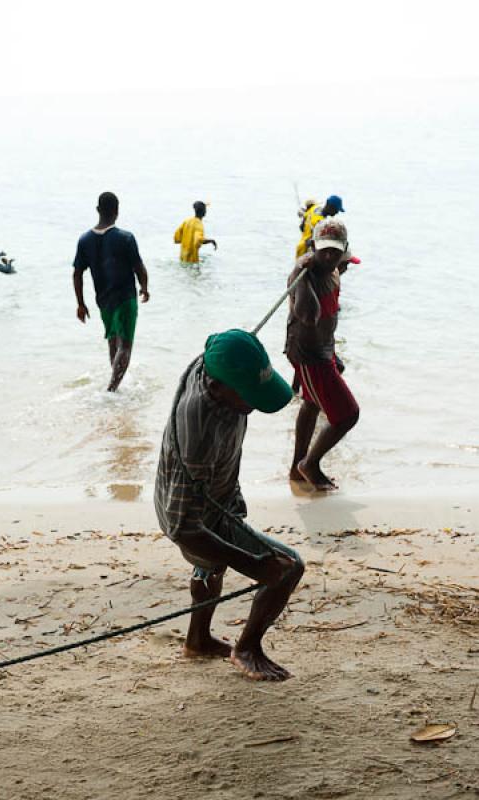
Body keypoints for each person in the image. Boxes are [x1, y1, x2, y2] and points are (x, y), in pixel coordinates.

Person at [155, 330, 304, 681]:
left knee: (210, 566)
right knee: (287, 568)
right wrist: (254, 565)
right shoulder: (199, 429)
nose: (253, 403)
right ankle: (248, 648)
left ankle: (197, 640)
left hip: (214, 493)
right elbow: (184, 526)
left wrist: (239, 348)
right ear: (220, 387)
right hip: (196, 509)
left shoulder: (207, 364)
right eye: (248, 396)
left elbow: (226, 347)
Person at [286, 218, 359, 490]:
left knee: (311, 403)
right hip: (309, 355)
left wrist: (334, 352)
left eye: (336, 252)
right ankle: (310, 464)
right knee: (347, 415)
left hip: (324, 350)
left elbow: (329, 319)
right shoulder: (304, 276)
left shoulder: (335, 270)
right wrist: (300, 275)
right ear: (313, 248)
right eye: (324, 250)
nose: (329, 257)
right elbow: (309, 315)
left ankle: (296, 467)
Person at [73, 192, 149, 392]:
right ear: (117, 212)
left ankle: (114, 385)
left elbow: (77, 274)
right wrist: (145, 287)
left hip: (103, 300)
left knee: (112, 341)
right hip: (125, 298)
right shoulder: (125, 238)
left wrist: (80, 303)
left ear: (98, 210)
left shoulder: (85, 240)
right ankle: (112, 389)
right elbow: (139, 267)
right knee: (125, 345)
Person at [296, 194, 345, 259]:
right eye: (336, 209)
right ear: (329, 206)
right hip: (305, 252)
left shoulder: (314, 208)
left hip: (300, 247)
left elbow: (301, 227)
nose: (337, 212)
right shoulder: (320, 223)